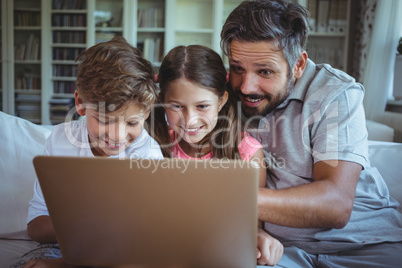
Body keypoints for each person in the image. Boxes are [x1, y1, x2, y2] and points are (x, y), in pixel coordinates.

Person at [221, 0, 402, 267]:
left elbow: (335, 205)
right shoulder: (223, 93)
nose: (247, 87)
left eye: (265, 71)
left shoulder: (334, 95)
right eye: (237, 68)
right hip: (278, 251)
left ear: (298, 65)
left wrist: (219, 199)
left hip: (365, 244)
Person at [15, 36, 163, 268]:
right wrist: (84, 229)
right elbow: (35, 226)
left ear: (146, 112)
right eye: (105, 120)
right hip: (61, 245)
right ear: (81, 103)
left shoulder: (148, 154)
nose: (117, 136)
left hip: (125, 252)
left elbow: (143, 237)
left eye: (132, 123)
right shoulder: (59, 141)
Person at [148, 44, 283, 266]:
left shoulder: (247, 151)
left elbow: (254, 223)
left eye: (202, 106)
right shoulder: (153, 146)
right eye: (176, 106)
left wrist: (259, 237)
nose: (190, 119)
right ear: (163, 101)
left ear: (221, 101)